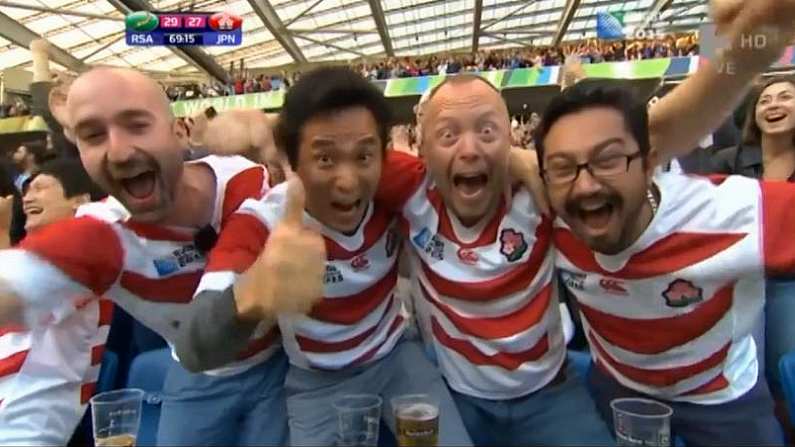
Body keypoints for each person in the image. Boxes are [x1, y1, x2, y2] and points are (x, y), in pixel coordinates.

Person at [177, 66, 474, 446]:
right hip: (317, 383)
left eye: (364, 156)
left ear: (381, 154)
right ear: (291, 159)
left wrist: (519, 160)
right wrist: (253, 294)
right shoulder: (264, 222)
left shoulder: (391, 181)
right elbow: (191, 348)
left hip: (398, 359)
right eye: (325, 159)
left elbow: (467, 167)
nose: (348, 181)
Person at [0, 67, 294, 446]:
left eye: (137, 125)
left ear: (178, 133)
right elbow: (15, 287)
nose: (119, 152)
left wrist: (278, 143)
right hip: (194, 378)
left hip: (280, 370)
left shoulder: (247, 182)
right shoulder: (101, 234)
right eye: (93, 136)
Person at [534, 77, 795, 445]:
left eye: (608, 159)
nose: (586, 186)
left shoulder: (732, 212)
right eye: (563, 168)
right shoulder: (549, 219)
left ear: (649, 163)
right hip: (615, 392)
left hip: (721, 402)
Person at [0, 158, 108, 445]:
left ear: (80, 200)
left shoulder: (86, 251)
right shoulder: (22, 255)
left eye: (40, 187)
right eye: (26, 191)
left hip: (27, 416)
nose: (28, 197)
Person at [710, 75, 795, 425]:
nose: (774, 104)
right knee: (745, 378)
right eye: (765, 100)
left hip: (788, 282)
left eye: (786, 97)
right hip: (738, 282)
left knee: (784, 368)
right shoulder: (727, 161)